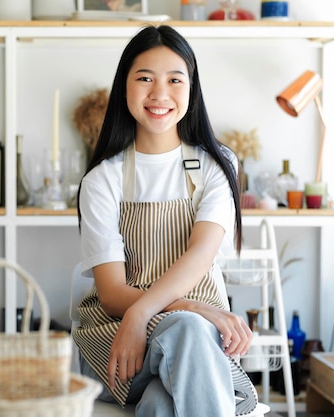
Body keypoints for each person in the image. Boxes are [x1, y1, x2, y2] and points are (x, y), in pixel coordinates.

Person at [73, 25, 258, 416]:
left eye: (175, 80)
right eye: (144, 79)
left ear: (192, 89)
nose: (159, 94)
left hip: (196, 339)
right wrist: (185, 308)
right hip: (116, 335)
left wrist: (166, 310)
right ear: (124, 87)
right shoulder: (103, 180)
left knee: (161, 403)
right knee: (187, 330)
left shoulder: (216, 166)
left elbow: (200, 256)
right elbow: (111, 293)